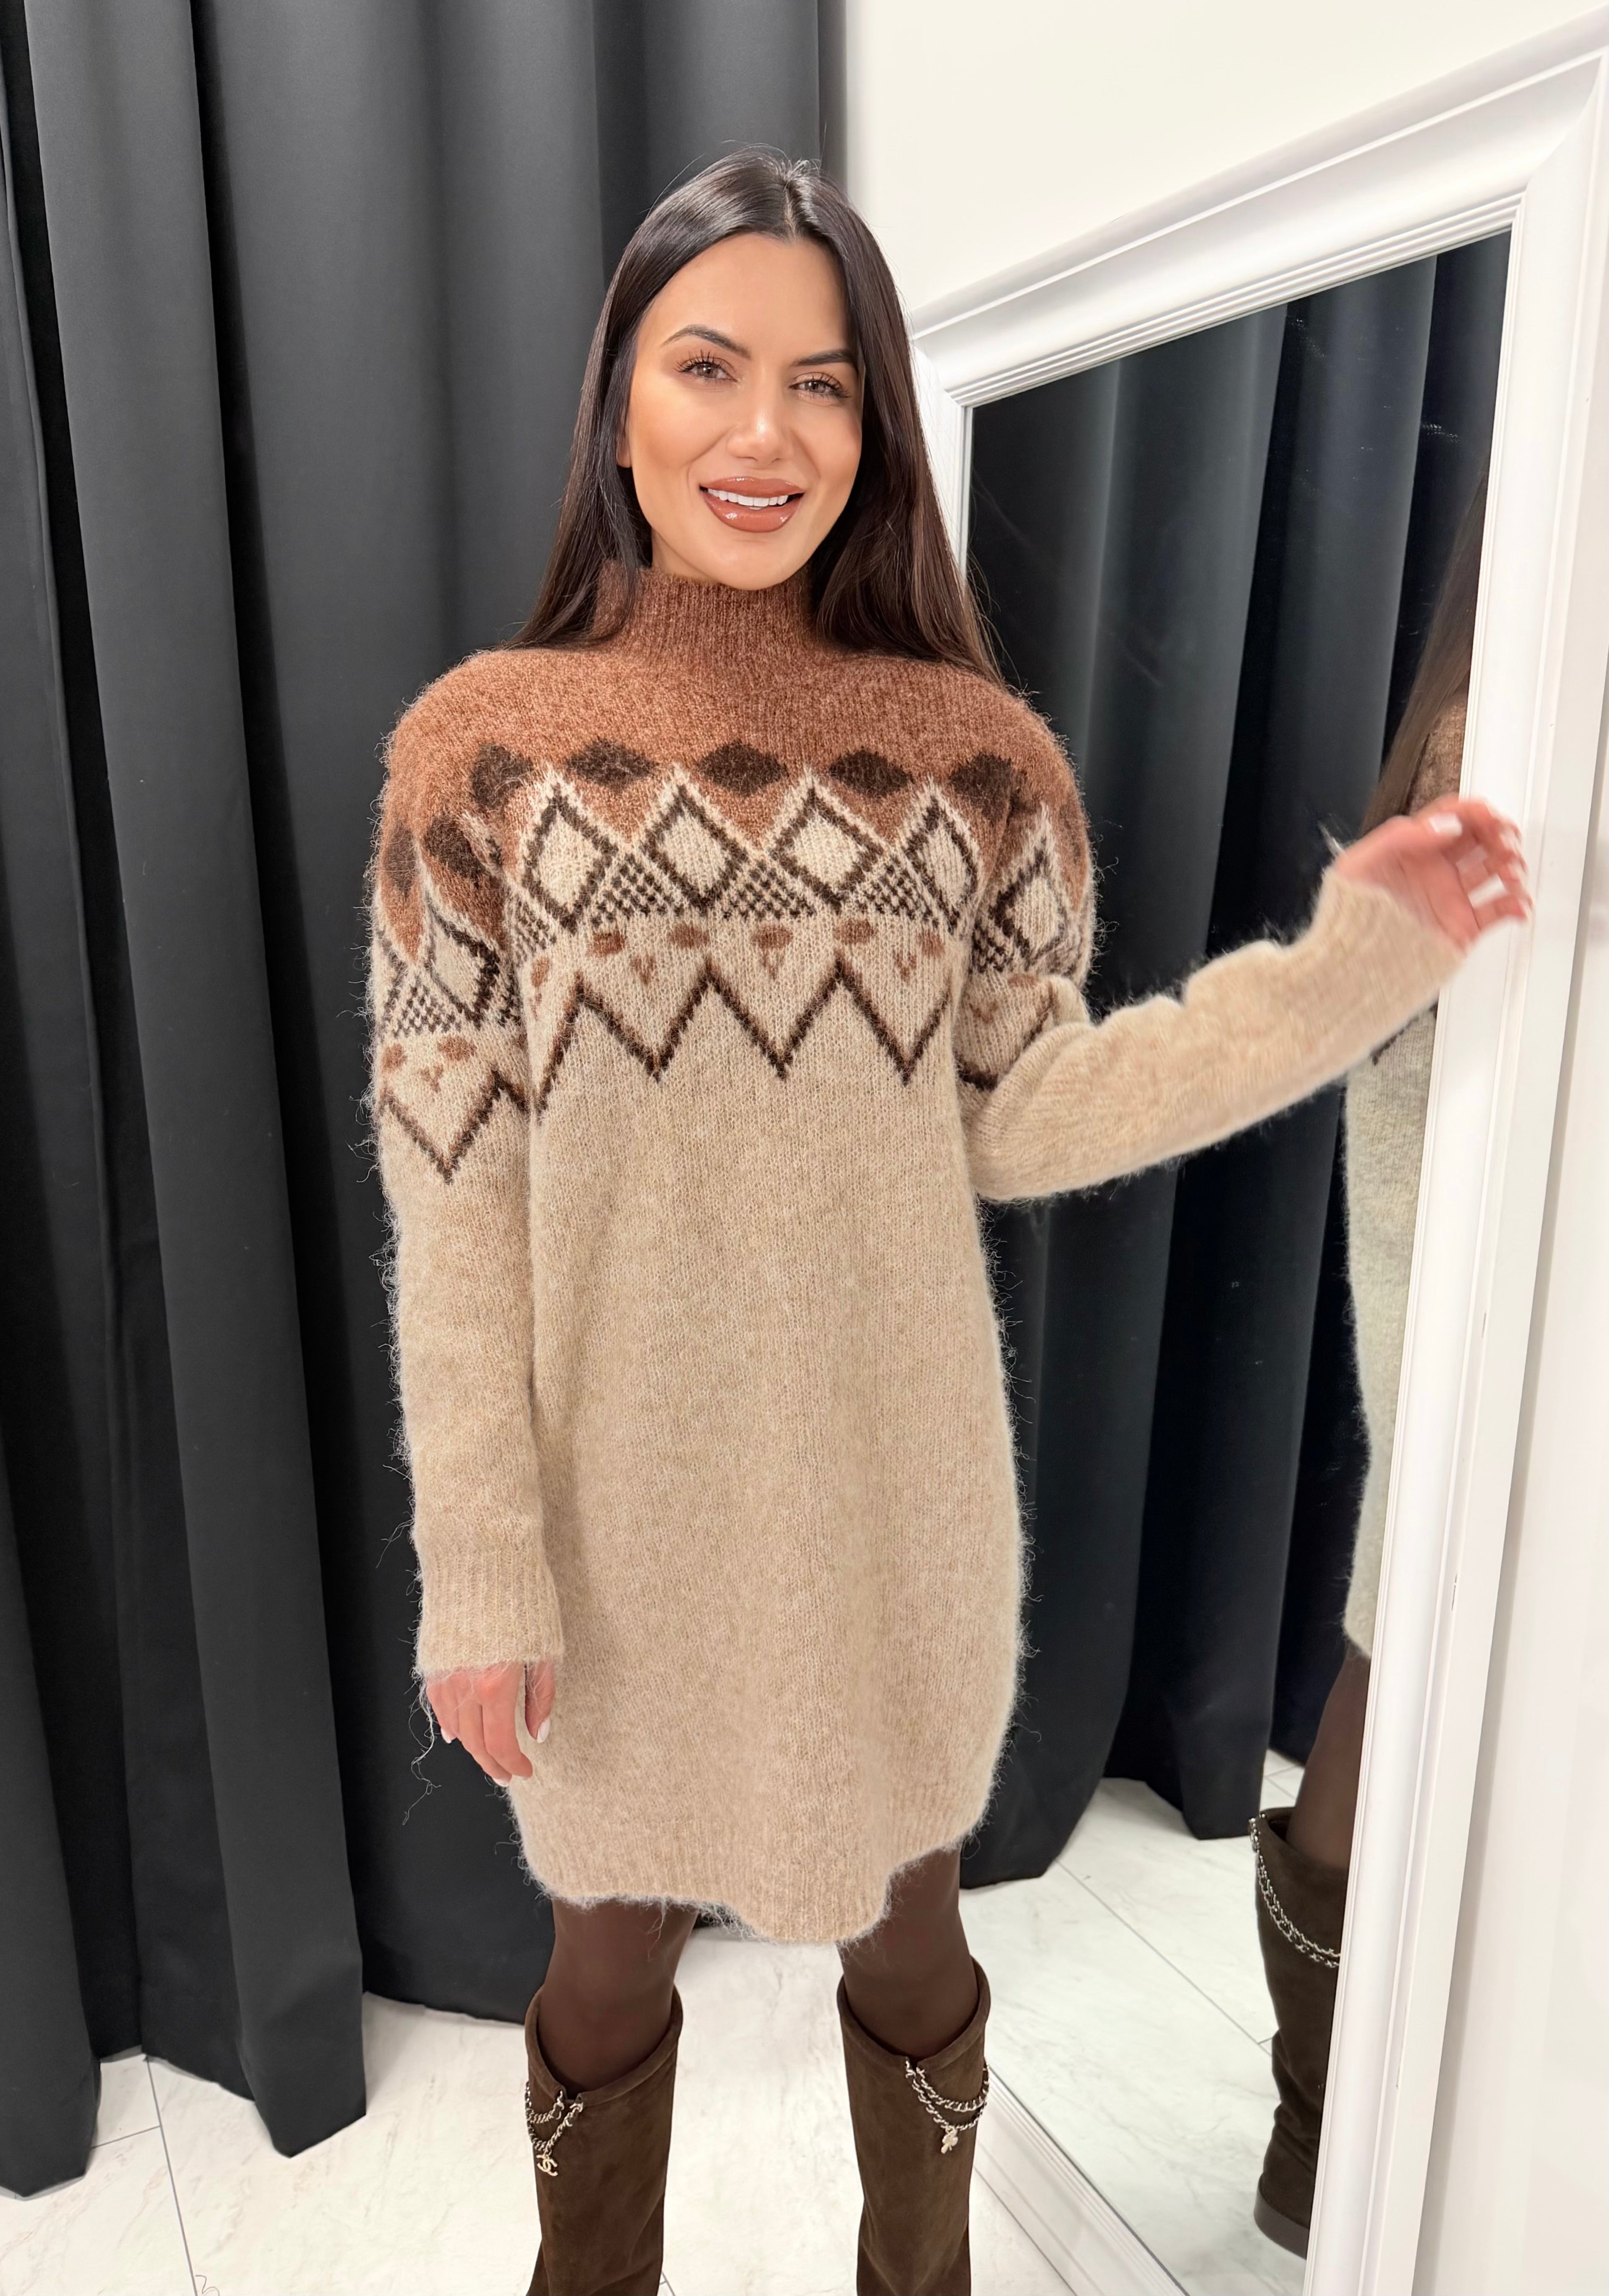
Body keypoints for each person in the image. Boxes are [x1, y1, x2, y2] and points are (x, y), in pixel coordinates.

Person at [366, 149, 1527, 2296]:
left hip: (890, 1502)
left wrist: (1340, 969)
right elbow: (455, 1201)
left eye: (823, 383)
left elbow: (1037, 1105)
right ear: (617, 397)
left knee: (911, 1942)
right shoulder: (483, 759)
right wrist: (483, 1558)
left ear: (874, 424)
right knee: (602, 1965)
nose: (765, 430)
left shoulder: (968, 763)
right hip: (611, 1518)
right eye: (707, 366)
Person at [1249, 467, 1492, 2262]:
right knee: (1406, 1602)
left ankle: (1325, 2133)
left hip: (1454, 1103)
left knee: (1394, 1610)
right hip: (1470, 1117)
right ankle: (1323, 2129)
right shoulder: (1514, 688)